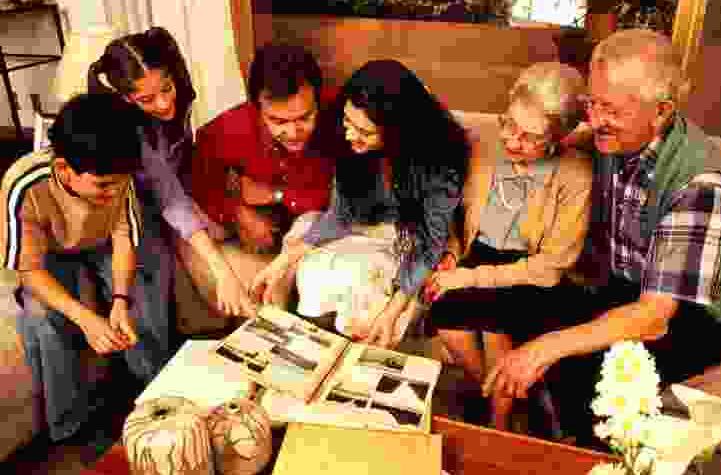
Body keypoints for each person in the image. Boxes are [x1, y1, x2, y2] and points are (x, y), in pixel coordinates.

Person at [482, 29, 721, 445]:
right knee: (516, 309)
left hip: (704, 316)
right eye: (592, 102)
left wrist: (543, 349)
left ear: (660, 112)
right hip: (630, 289)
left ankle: (583, 459)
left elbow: (654, 316)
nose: (593, 118)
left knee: (597, 381)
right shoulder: (612, 137)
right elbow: (565, 142)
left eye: (609, 109)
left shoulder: (701, 184)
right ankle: (529, 447)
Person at [252, 59, 471, 347]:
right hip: (361, 224)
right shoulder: (346, 138)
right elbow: (340, 214)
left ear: (397, 131)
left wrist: (392, 312)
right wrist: (281, 263)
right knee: (309, 254)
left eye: (365, 132)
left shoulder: (439, 159)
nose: (350, 135)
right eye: (348, 123)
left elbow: (428, 246)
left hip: (410, 237)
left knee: (365, 286)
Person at [421, 62, 592, 432]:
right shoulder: (484, 150)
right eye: (509, 124)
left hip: (532, 273)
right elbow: (458, 218)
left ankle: (497, 425)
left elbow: (550, 266)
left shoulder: (575, 174)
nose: (512, 141)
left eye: (530, 137)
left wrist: (469, 278)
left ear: (558, 137)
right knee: (445, 317)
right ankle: (504, 398)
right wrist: (452, 258)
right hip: (478, 258)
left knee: (497, 329)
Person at [1, 93, 160, 441]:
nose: (115, 191)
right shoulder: (23, 184)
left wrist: (119, 300)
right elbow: (28, 270)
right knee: (41, 317)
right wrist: (86, 318)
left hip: (104, 244)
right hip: (50, 254)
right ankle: (72, 428)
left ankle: (157, 394)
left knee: (143, 292)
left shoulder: (116, 173)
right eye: (103, 185)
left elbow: (123, 238)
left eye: (121, 182)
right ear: (64, 170)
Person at [88, 27, 256, 325]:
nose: (164, 104)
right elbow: (168, 194)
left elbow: (180, 163)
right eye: (147, 99)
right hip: (133, 207)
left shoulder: (179, 95)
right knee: (152, 274)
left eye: (166, 89)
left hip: (172, 189)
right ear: (127, 99)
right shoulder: (128, 129)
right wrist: (222, 271)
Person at [192, 43, 335, 258]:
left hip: (318, 223)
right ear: (256, 108)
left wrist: (276, 195)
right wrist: (237, 212)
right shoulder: (232, 128)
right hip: (262, 226)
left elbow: (348, 201)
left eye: (305, 117)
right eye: (278, 121)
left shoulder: (341, 121)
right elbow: (197, 181)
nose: (293, 131)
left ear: (318, 100)